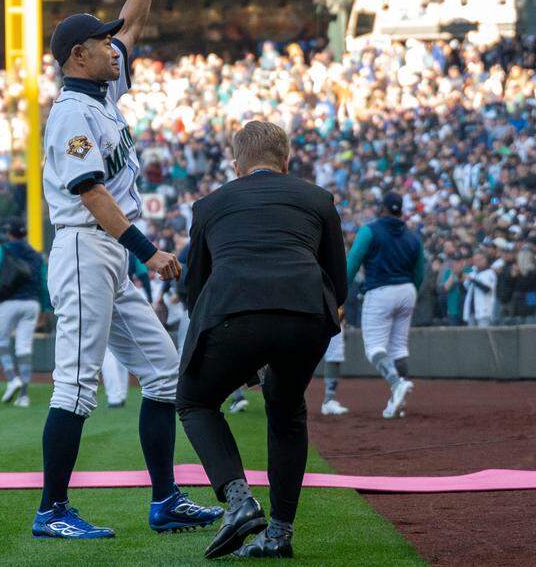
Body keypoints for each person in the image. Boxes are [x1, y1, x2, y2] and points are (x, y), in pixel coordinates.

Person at [33, 0, 221, 540]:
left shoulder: (103, 97)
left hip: (107, 255)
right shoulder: (70, 114)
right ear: (77, 55)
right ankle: (52, 511)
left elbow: (132, 22)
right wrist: (149, 251)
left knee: (165, 375)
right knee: (77, 384)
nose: (116, 47)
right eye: (103, 43)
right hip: (87, 249)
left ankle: (165, 500)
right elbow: (90, 192)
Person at [177, 121, 347, 559]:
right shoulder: (317, 199)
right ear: (286, 161)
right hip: (307, 314)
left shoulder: (210, 205)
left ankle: (238, 501)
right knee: (287, 410)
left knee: (194, 402)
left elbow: (194, 287)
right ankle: (279, 534)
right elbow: (338, 280)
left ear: (236, 166)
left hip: (234, 312)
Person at [346, 193, 424, 419]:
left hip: (380, 290)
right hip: (407, 290)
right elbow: (419, 273)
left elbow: (352, 262)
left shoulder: (370, 230)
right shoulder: (413, 237)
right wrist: (411, 293)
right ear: (400, 211)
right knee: (398, 349)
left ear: (382, 209)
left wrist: (339, 291)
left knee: (374, 349)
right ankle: (399, 403)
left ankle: (397, 384)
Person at [0, 221, 50, 408]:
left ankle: (12, 379)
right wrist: (44, 309)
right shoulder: (36, 255)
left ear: (9, 234)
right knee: (24, 346)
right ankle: (24, 395)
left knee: (0, 343)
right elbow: (43, 284)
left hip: (8, 303)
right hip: (32, 304)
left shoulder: (2, 250)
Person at [464, 248, 498, 328]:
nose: (477, 262)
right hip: (471, 309)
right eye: (475, 260)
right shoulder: (472, 273)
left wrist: (473, 281)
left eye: (480, 259)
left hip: (484, 309)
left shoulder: (490, 273)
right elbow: (466, 286)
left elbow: (487, 289)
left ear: (485, 260)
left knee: (483, 335)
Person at [319, 326, 349, 416]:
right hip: (326, 317)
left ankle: (329, 400)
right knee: (334, 354)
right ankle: (328, 401)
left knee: (335, 354)